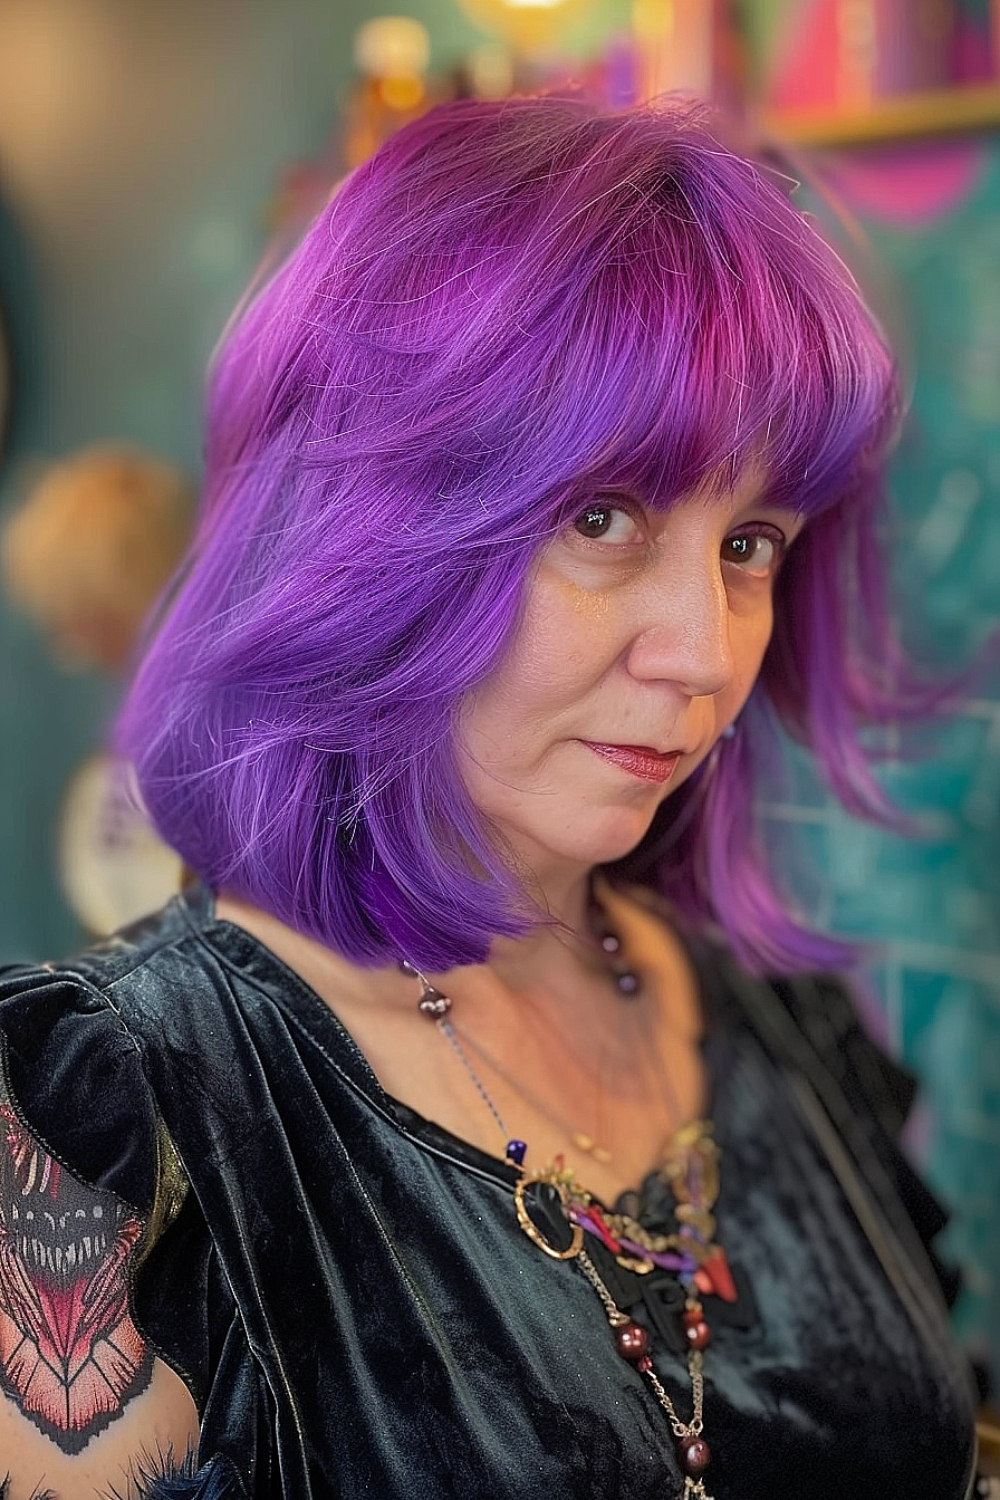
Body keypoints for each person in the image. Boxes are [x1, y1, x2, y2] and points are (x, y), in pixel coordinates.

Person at [0, 95, 981, 1500]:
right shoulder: (104, 1135)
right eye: (602, 519)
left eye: (752, 541)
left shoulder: (778, 1025)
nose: (708, 651)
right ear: (367, 534)